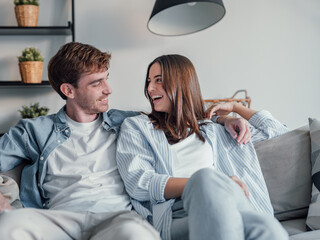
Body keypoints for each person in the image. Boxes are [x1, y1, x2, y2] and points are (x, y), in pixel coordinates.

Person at [0, 42, 161, 240]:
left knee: (138, 235)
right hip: (56, 221)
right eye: (96, 83)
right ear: (68, 90)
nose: (108, 89)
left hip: (116, 219)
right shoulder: (35, 130)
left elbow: (179, 122)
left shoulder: (128, 123)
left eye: (106, 79)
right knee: (2, 229)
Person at [116, 54, 290, 240]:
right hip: (177, 215)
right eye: (149, 81)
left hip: (232, 202)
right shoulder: (137, 127)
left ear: (181, 82)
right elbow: (139, 182)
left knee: (267, 226)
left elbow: (276, 130)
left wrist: (235, 107)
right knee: (206, 179)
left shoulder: (218, 129)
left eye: (158, 80)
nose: (150, 88)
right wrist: (206, 181)